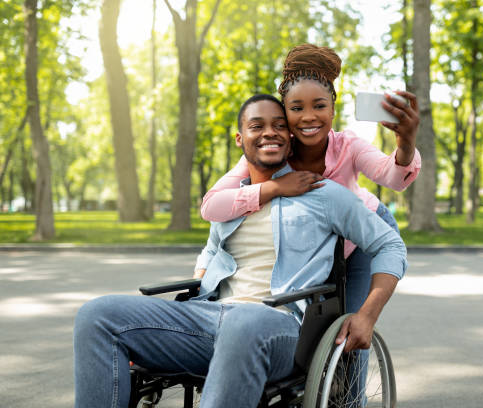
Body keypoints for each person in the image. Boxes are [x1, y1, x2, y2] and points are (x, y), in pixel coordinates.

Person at [73, 94, 407, 408]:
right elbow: (210, 251)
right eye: (257, 126)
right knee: (97, 315)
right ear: (240, 139)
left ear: (290, 138)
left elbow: (390, 244)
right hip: (211, 317)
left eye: (279, 126)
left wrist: (367, 314)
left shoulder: (323, 194)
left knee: (244, 321)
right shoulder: (232, 200)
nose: (269, 133)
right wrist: (196, 287)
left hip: (280, 326)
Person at [200, 43, 420, 314]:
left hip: (361, 232)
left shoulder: (348, 146)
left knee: (349, 325)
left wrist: (406, 143)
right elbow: (211, 205)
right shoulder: (273, 148)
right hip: (316, 240)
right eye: (296, 108)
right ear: (285, 113)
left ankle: (356, 354)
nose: (308, 117)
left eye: (319, 106)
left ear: (332, 111)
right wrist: (274, 187)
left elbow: (394, 179)